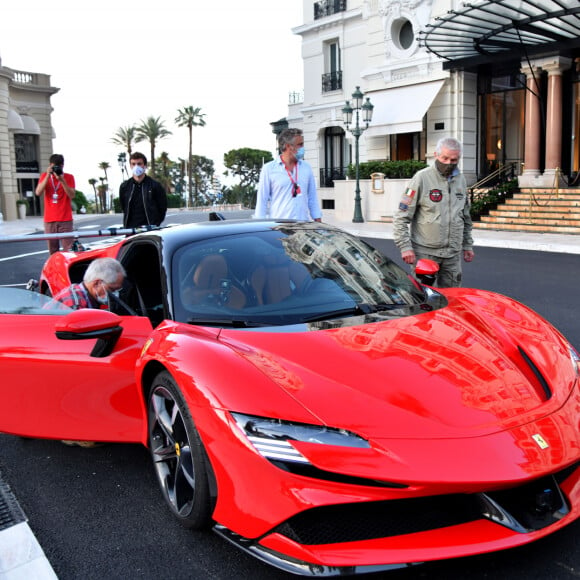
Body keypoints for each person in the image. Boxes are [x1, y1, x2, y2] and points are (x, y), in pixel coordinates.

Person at [393, 137, 475, 288]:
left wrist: (467, 245)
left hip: (452, 254)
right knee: (425, 296)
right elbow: (401, 216)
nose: (449, 163)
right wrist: (405, 247)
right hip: (426, 253)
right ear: (436, 155)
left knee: (452, 297)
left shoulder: (461, 180)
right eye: (445, 158)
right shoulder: (421, 178)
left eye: (453, 160)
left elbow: (465, 216)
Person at [255, 128, 322, 222]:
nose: (303, 148)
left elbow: (312, 198)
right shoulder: (269, 169)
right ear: (288, 146)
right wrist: (260, 226)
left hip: (302, 225)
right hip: (280, 226)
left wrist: (318, 222)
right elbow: (262, 200)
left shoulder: (306, 168)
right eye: (300, 145)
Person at [35, 154, 76, 254]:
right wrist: (48, 176)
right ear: (50, 165)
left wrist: (62, 180)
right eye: (54, 166)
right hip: (50, 220)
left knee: (69, 250)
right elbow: (38, 192)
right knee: (53, 251)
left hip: (65, 219)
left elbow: (72, 195)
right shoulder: (44, 176)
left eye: (59, 166)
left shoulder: (69, 177)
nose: (57, 168)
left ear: (63, 166)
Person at [52, 257, 126, 310]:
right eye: (112, 289)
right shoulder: (76, 304)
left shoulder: (83, 294)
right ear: (96, 284)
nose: (116, 294)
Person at [119, 152, 167, 229]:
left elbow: (162, 208)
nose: (136, 166)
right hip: (130, 230)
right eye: (133, 164)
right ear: (130, 166)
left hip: (150, 229)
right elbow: (123, 206)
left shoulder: (155, 186)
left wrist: (156, 224)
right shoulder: (125, 186)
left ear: (145, 165)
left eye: (139, 164)